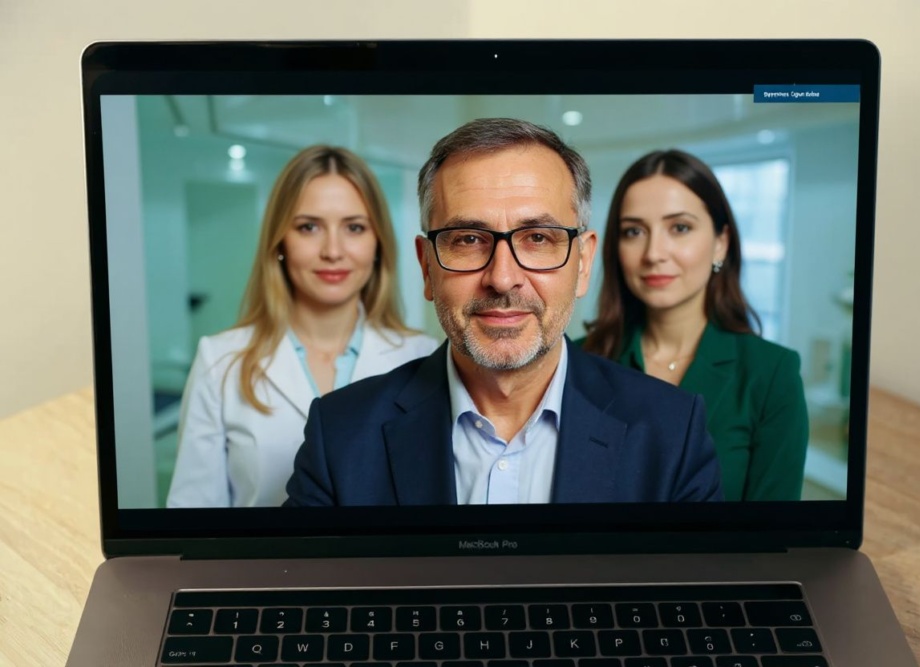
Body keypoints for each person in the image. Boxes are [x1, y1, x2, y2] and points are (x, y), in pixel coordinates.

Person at [284, 119, 723, 507]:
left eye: (538, 238)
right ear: (426, 266)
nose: (503, 277)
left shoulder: (672, 433)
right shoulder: (339, 434)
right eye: (468, 239)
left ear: (584, 263)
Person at [167, 145, 438, 508]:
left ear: (378, 244)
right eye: (309, 227)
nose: (332, 250)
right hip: (258, 567)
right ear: (280, 241)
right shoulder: (220, 361)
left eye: (354, 227)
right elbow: (193, 522)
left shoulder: (423, 358)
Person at [581, 149, 809, 501]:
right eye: (633, 232)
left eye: (680, 227)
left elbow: (774, 542)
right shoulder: (578, 361)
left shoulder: (771, 375)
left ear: (721, 243)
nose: (654, 252)